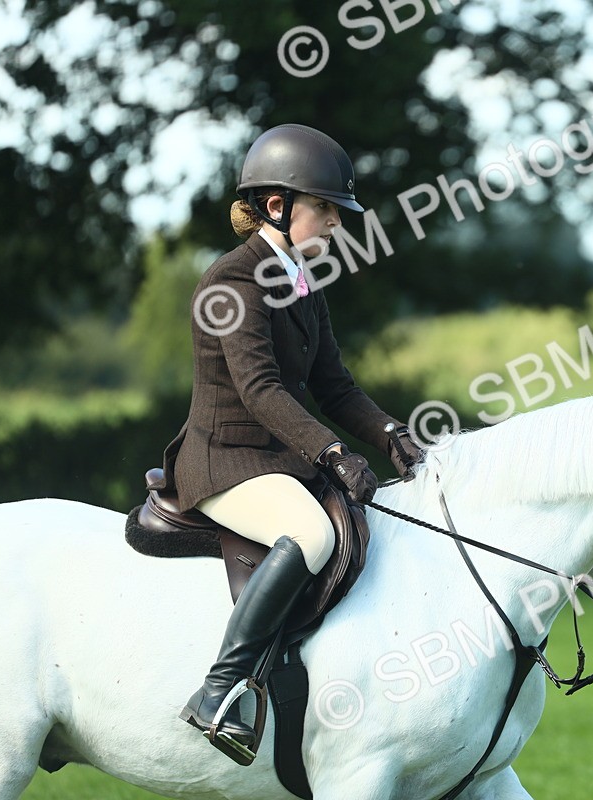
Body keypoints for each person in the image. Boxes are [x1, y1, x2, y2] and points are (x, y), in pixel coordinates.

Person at [155, 123, 423, 757]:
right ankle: (220, 689)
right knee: (312, 532)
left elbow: (334, 387)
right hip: (223, 461)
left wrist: (392, 436)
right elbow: (261, 390)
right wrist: (331, 452)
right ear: (277, 205)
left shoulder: (303, 280)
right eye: (325, 207)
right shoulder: (233, 282)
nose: (335, 222)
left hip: (273, 460)